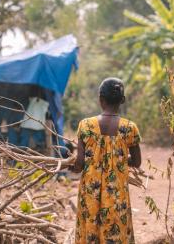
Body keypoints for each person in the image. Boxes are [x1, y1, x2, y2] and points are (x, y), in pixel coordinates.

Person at [70, 77, 142, 244]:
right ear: (122, 100)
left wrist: (73, 166)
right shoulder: (130, 128)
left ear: (100, 99)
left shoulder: (85, 125)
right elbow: (137, 162)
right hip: (117, 193)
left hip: (90, 193)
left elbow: (79, 164)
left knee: (89, 231)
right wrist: (118, 160)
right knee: (116, 232)